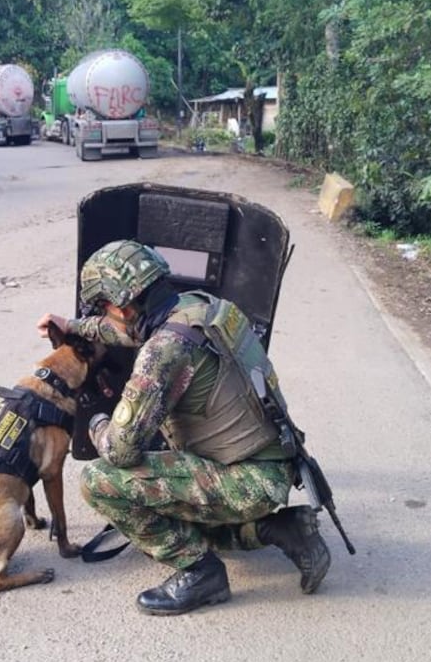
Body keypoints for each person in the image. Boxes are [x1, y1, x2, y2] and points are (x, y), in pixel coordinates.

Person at [37, 240, 331, 615]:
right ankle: (285, 530)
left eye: (102, 309)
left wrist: (94, 420)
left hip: (244, 480)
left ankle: (199, 571)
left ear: (123, 306)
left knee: (100, 481)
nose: (103, 316)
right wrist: (74, 326)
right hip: (272, 462)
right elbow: (130, 332)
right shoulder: (200, 307)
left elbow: (119, 449)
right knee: (169, 497)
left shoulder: (163, 351)